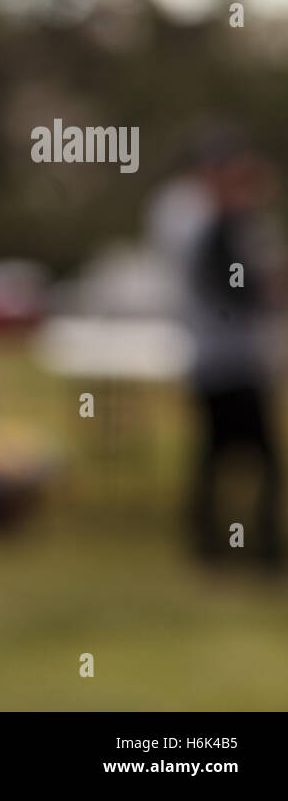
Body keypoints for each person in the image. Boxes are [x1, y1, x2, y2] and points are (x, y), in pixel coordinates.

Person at [161, 134, 284, 565]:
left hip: (227, 360)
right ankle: (250, 546)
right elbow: (237, 292)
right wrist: (271, 289)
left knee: (219, 457)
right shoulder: (215, 231)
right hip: (226, 362)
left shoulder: (228, 227)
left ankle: (218, 544)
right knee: (249, 459)